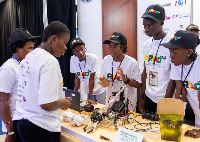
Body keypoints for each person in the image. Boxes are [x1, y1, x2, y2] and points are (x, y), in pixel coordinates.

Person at [12, 21, 71, 142]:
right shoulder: (49, 61)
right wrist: (63, 103)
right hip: (41, 128)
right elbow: (46, 104)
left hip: (21, 122)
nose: (65, 47)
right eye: (65, 43)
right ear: (53, 39)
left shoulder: (27, 58)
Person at [0, 28, 40, 142]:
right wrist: (10, 130)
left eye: (33, 48)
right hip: (15, 125)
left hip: (27, 121)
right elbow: (2, 101)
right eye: (29, 48)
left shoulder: (26, 65)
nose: (32, 52)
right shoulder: (8, 68)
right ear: (18, 49)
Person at [138, 4, 172, 115]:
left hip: (165, 98)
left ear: (161, 23)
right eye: (144, 25)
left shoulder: (172, 44)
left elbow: (174, 78)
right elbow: (145, 72)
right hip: (148, 97)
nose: (146, 29)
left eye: (150, 25)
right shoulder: (146, 45)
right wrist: (142, 97)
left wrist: (165, 104)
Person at [162, 30, 200, 127]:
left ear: (189, 52)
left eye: (174, 52)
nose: (171, 57)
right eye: (170, 52)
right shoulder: (177, 64)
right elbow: (179, 90)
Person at [99, 32, 141, 111]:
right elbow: (104, 83)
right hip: (110, 103)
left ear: (123, 47)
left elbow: (138, 84)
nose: (111, 49)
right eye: (110, 46)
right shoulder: (106, 60)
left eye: (115, 46)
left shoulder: (132, 63)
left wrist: (126, 80)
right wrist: (104, 84)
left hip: (128, 105)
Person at [70, 38, 106, 105]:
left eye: (82, 49)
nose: (80, 53)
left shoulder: (92, 58)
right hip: (89, 91)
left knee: (102, 111)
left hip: (99, 90)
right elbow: (77, 78)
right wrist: (74, 95)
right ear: (73, 52)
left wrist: (89, 98)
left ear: (85, 48)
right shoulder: (73, 60)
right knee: (91, 111)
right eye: (77, 51)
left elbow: (91, 79)